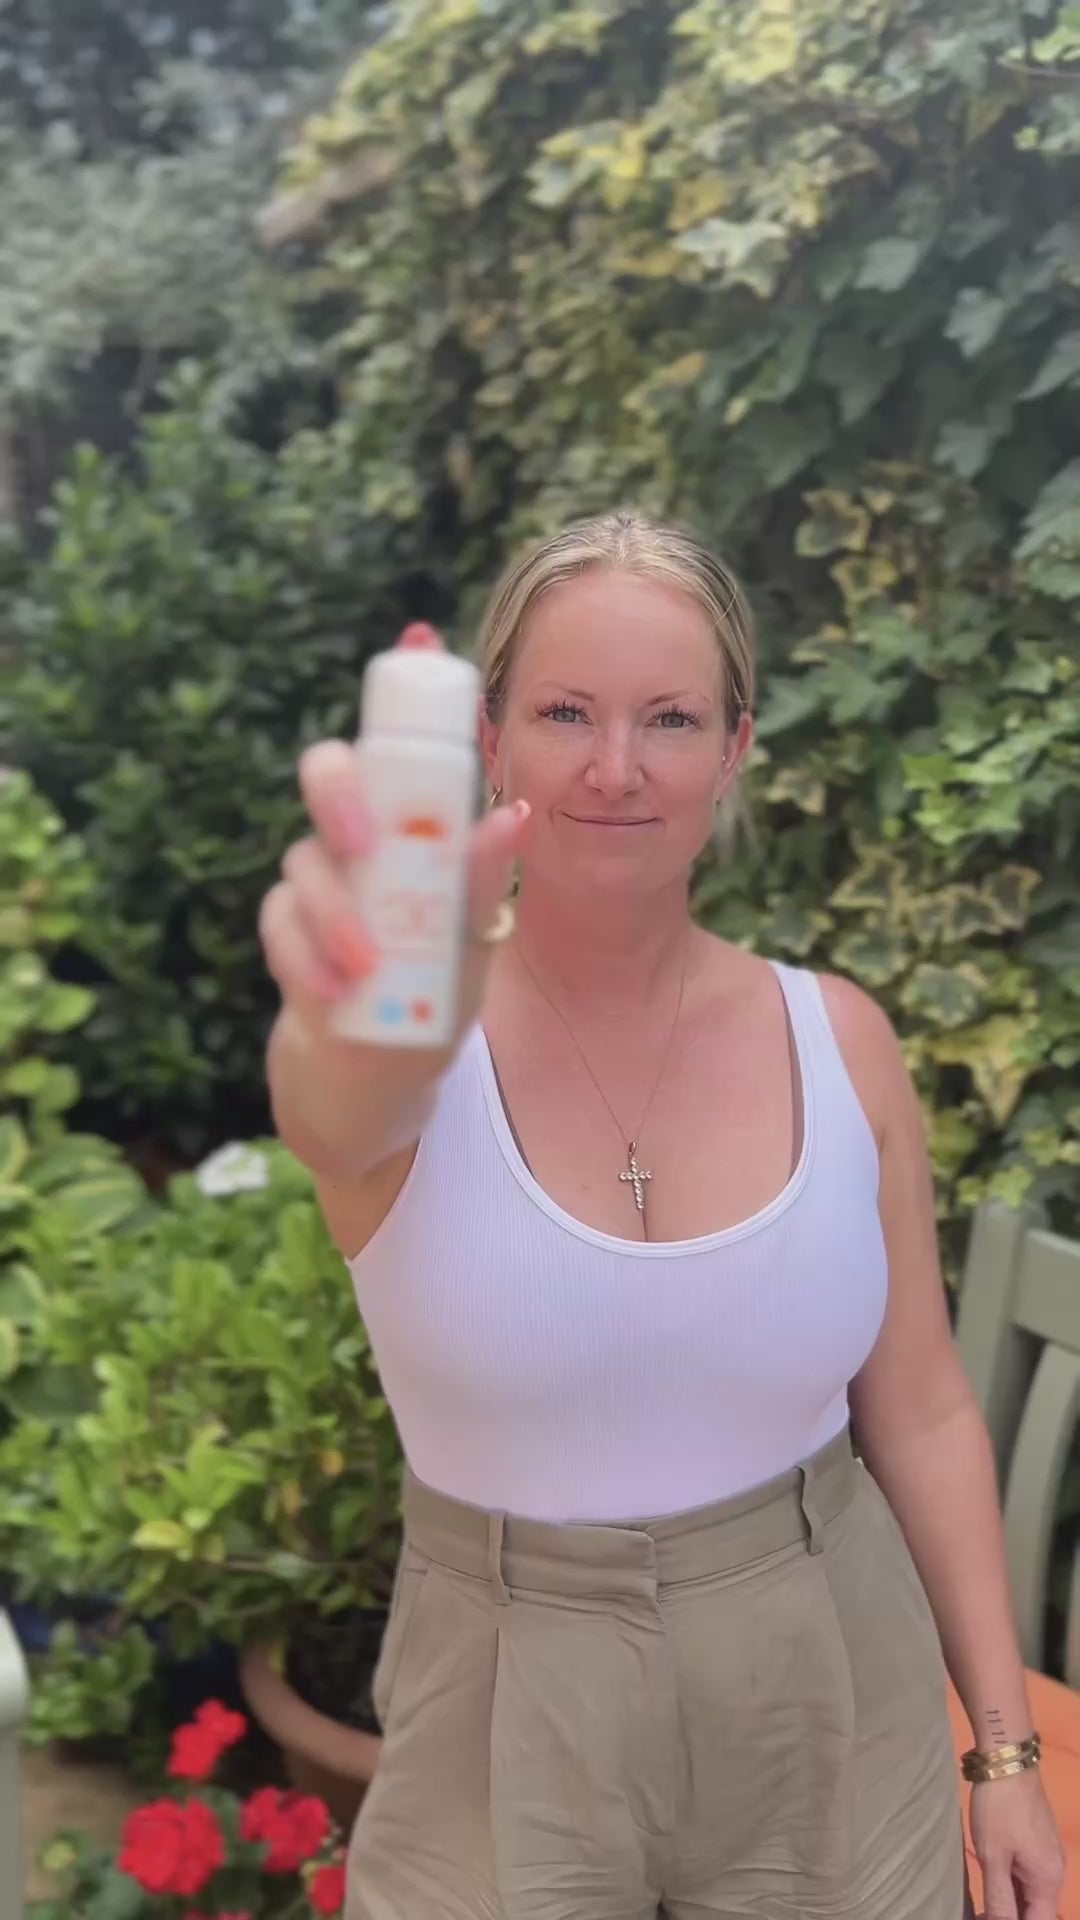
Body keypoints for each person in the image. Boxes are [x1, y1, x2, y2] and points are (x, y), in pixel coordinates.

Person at [259, 512, 1065, 1920]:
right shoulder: (410, 1054)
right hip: (505, 1684)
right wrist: (349, 1017)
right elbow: (334, 1098)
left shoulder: (843, 1043)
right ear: (490, 741)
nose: (617, 768)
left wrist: (1004, 1753)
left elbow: (925, 1409)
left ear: (736, 747)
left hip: (830, 1664)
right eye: (566, 712)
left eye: (672, 719)